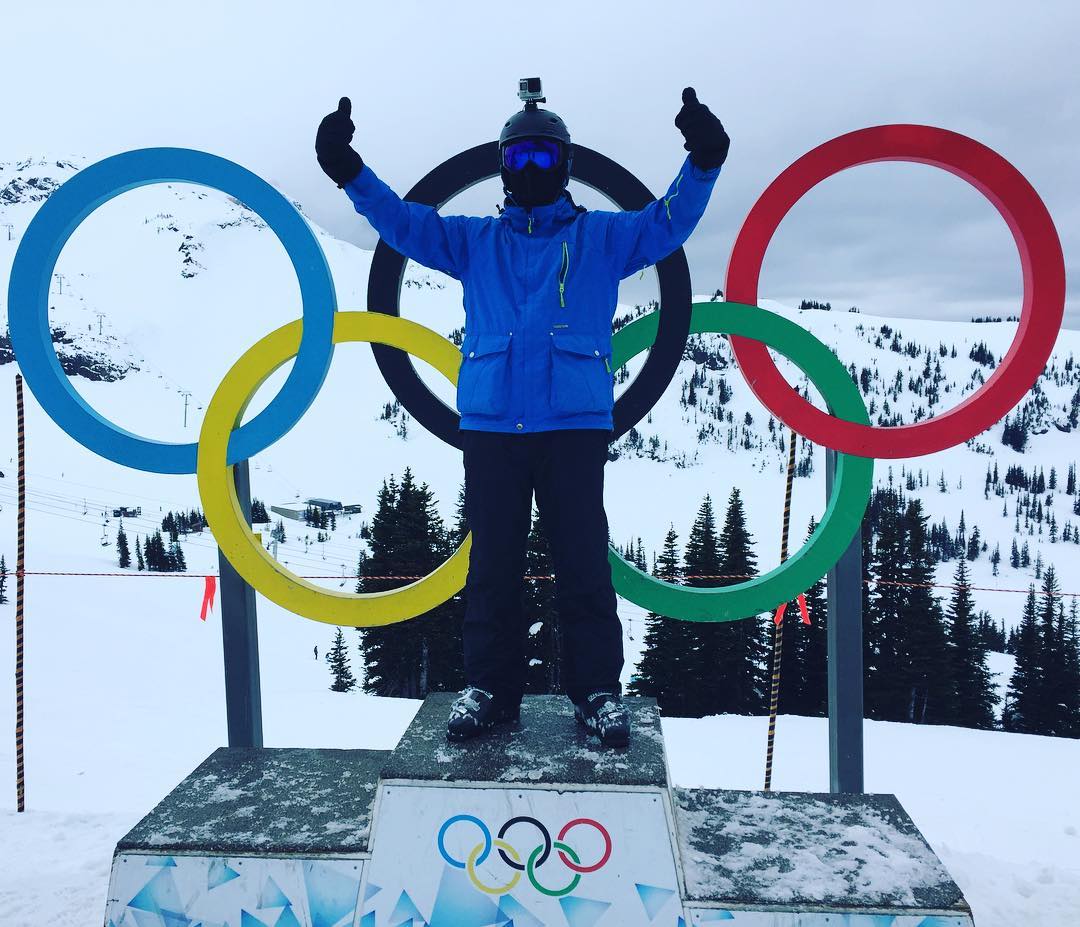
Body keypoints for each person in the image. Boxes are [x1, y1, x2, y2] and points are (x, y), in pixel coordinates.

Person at [316, 82, 728, 747]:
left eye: (544, 158)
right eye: (519, 158)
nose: (531, 171)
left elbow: (667, 221)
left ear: (564, 166)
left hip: (572, 426)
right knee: (493, 568)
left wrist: (703, 162)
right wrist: (349, 171)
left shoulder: (602, 238)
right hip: (492, 427)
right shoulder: (474, 243)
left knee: (583, 564)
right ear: (503, 168)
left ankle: (596, 691)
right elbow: (402, 222)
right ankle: (489, 689)